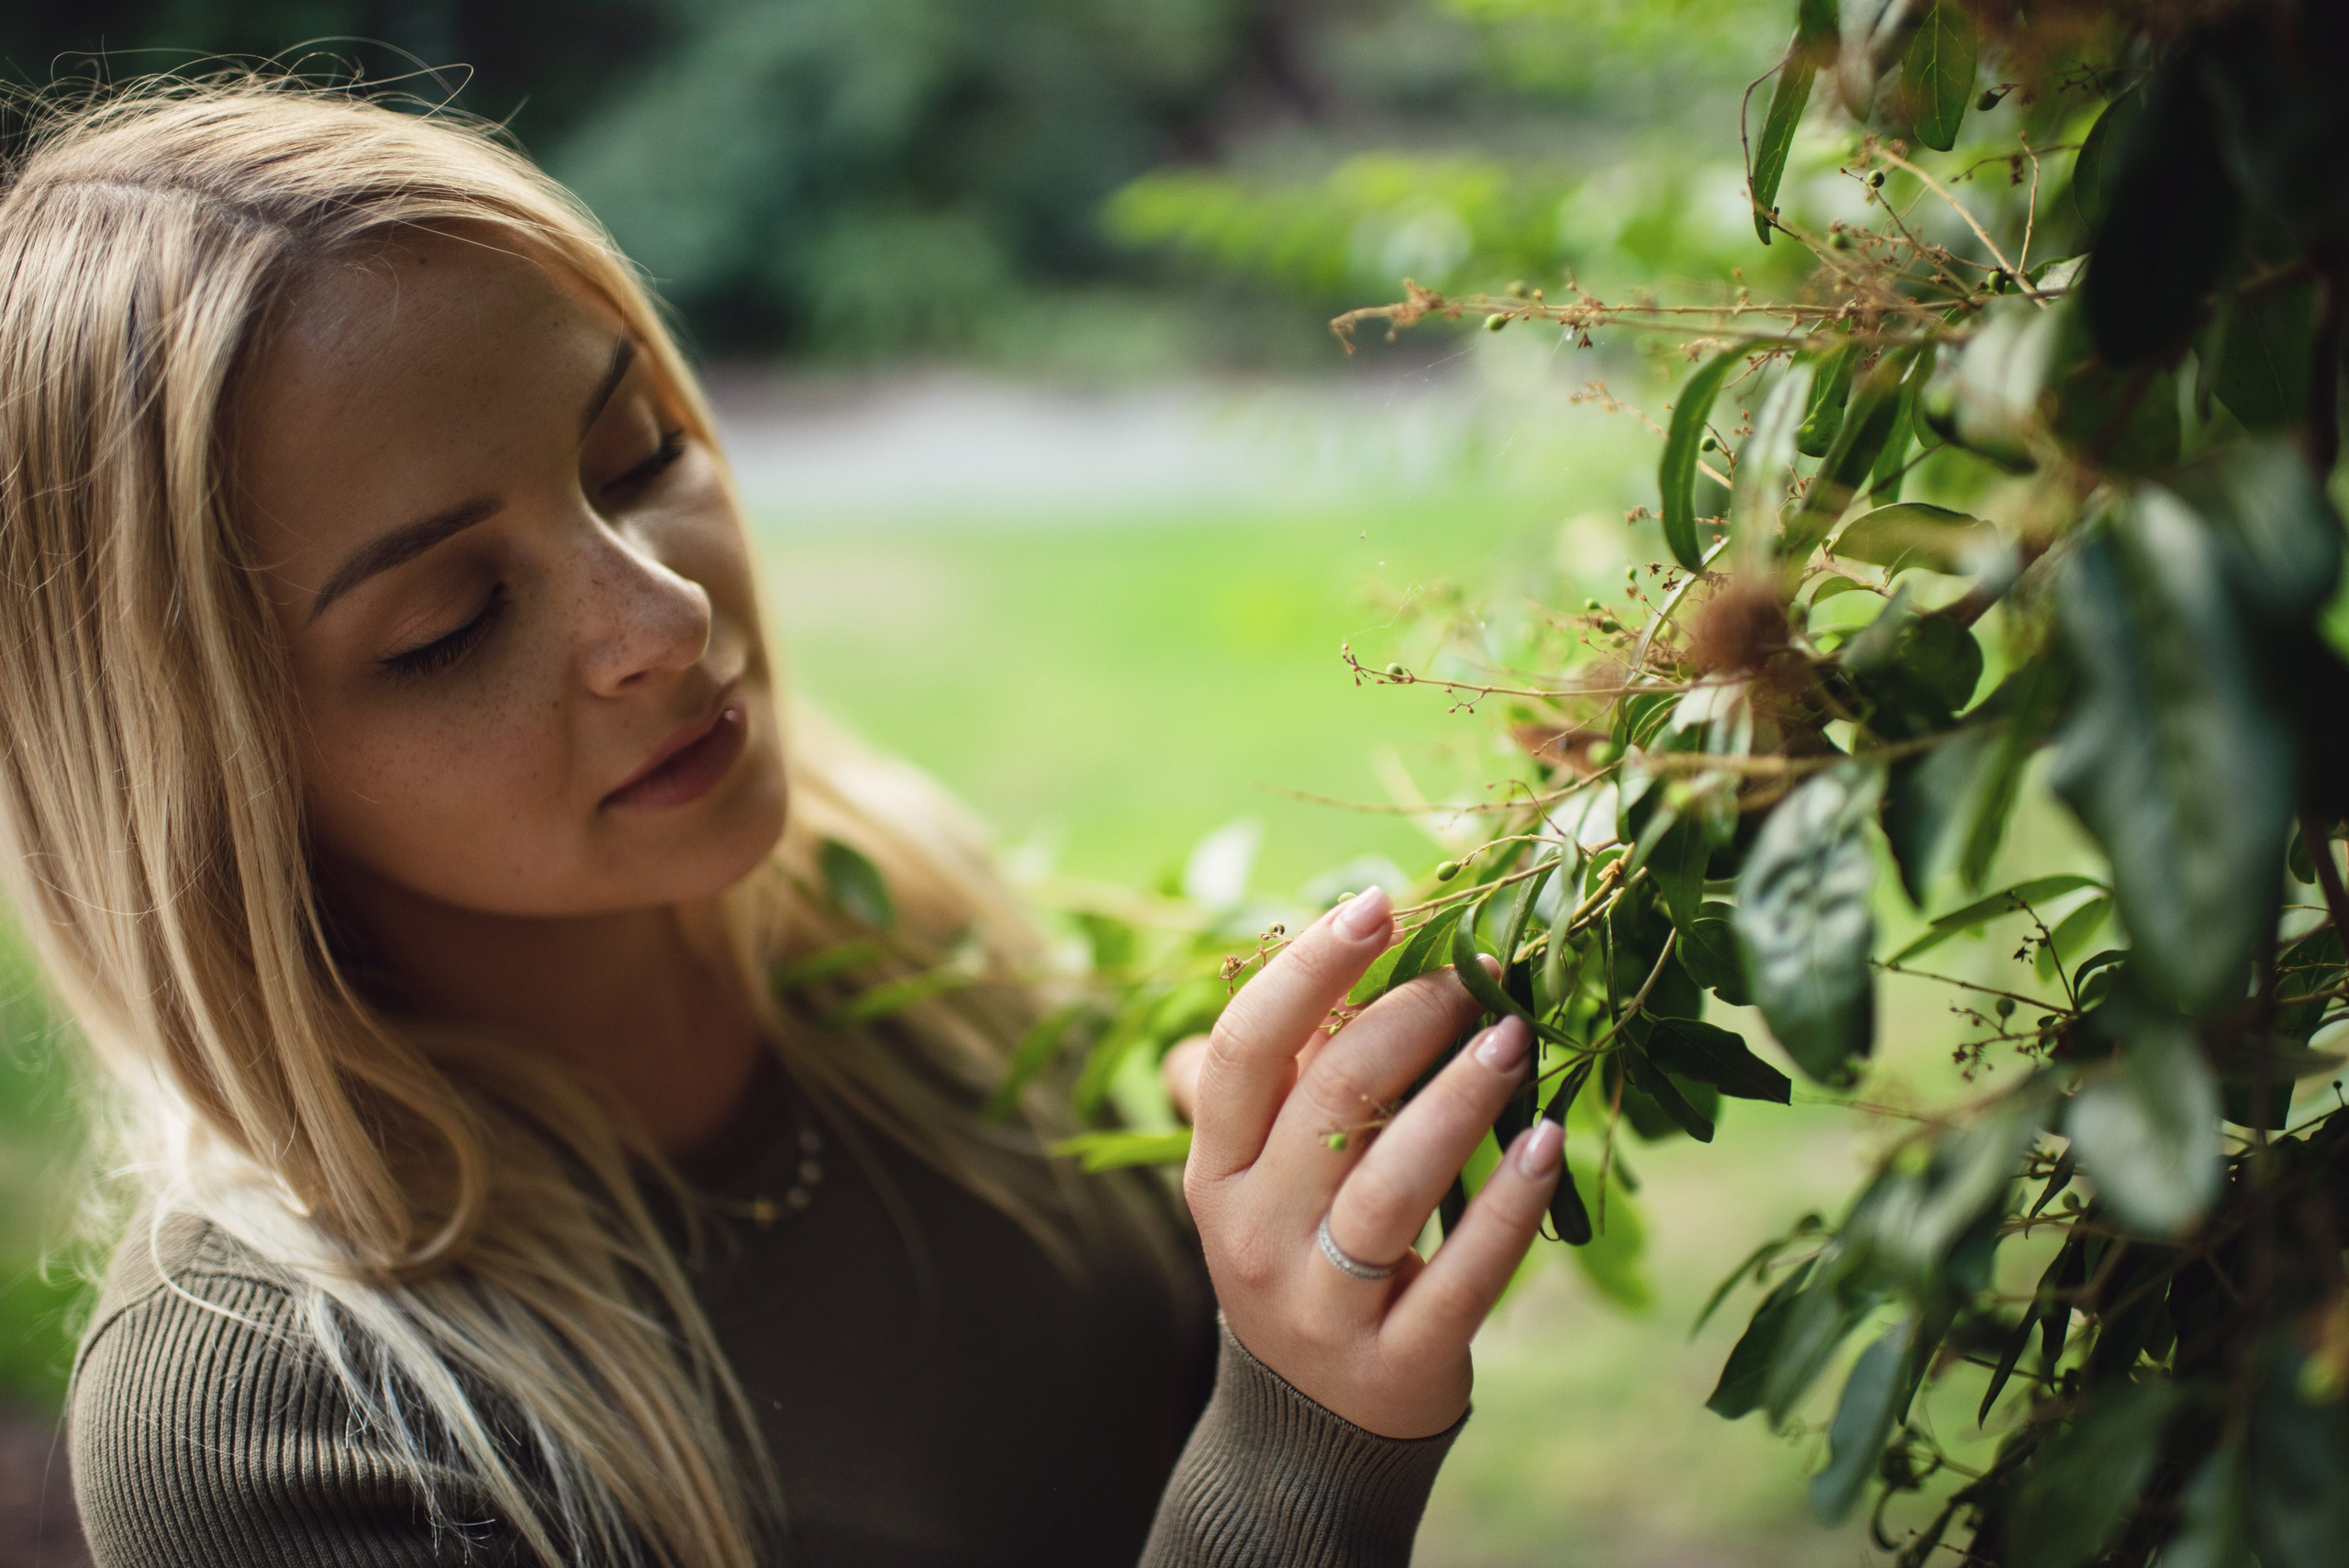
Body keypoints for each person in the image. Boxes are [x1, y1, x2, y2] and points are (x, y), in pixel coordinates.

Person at [0, 78, 1565, 1568]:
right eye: (451, 620)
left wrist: (1258, 1218)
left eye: (637, 455)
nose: (664, 613)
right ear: (200, 781)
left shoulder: (906, 910)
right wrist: (1300, 1448)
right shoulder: (263, 1426)